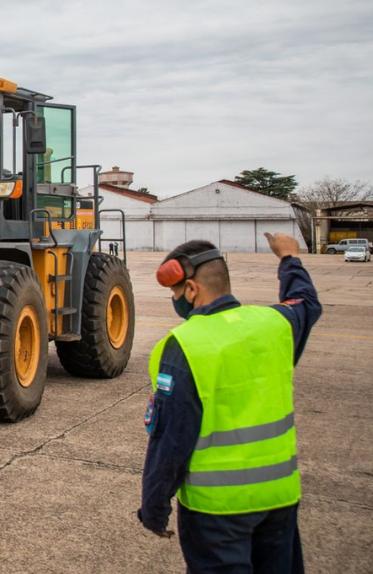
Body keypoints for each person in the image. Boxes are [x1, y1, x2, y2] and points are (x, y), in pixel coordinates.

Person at [139, 233, 321, 572]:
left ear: (191, 290)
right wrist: (289, 259)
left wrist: (154, 506)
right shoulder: (276, 324)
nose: (176, 300)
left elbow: (172, 440)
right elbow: (305, 301)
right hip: (279, 498)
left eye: (176, 293)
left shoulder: (185, 345)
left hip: (216, 510)